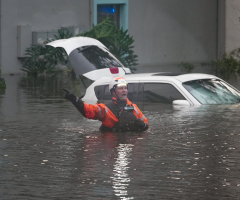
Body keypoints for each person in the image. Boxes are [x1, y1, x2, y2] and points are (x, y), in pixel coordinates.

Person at [64, 77, 148, 132]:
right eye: (120, 88)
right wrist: (75, 100)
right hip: (111, 145)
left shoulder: (134, 108)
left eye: (125, 88)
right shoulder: (105, 109)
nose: (124, 90)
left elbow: (146, 125)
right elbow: (87, 111)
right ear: (113, 92)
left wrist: (143, 125)